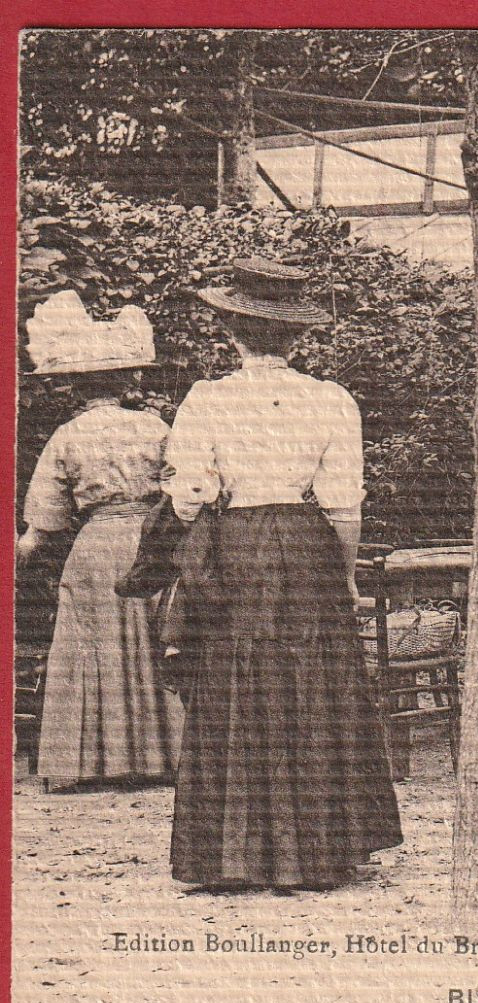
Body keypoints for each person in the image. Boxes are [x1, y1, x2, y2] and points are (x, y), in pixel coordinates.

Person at [163, 257, 401, 891]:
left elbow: (189, 498)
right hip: (307, 548)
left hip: (236, 545)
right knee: (314, 683)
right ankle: (321, 851)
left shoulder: (207, 400)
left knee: (234, 682)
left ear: (232, 333)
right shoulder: (331, 399)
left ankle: (232, 857)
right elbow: (345, 507)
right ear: (296, 336)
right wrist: (345, 580)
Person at [17, 291, 184, 791]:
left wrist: (21, 554)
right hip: (152, 542)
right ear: (129, 378)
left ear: (77, 385)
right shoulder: (155, 426)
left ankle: (92, 763)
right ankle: (165, 757)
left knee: (92, 648)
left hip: (94, 548)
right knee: (155, 641)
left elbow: (42, 523)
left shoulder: (68, 436)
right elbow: (184, 493)